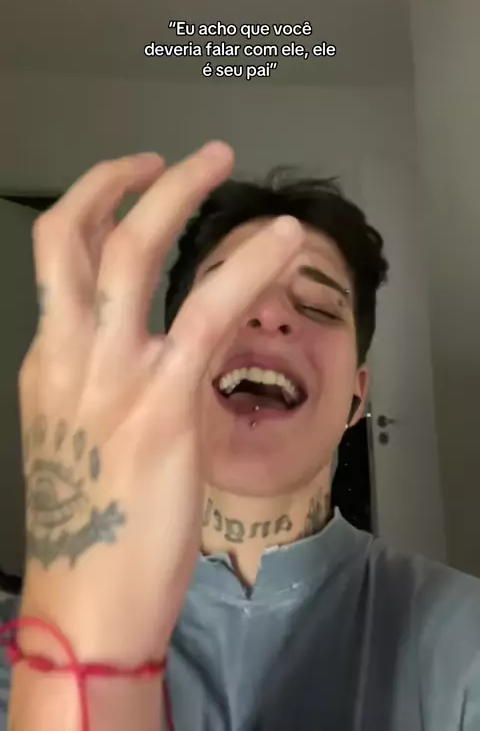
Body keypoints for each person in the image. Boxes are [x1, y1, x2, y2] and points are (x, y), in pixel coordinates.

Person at [0, 141, 479, 731]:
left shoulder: (464, 635)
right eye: (230, 292)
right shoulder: (18, 651)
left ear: (358, 399)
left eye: (318, 306)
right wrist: (80, 648)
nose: (270, 315)